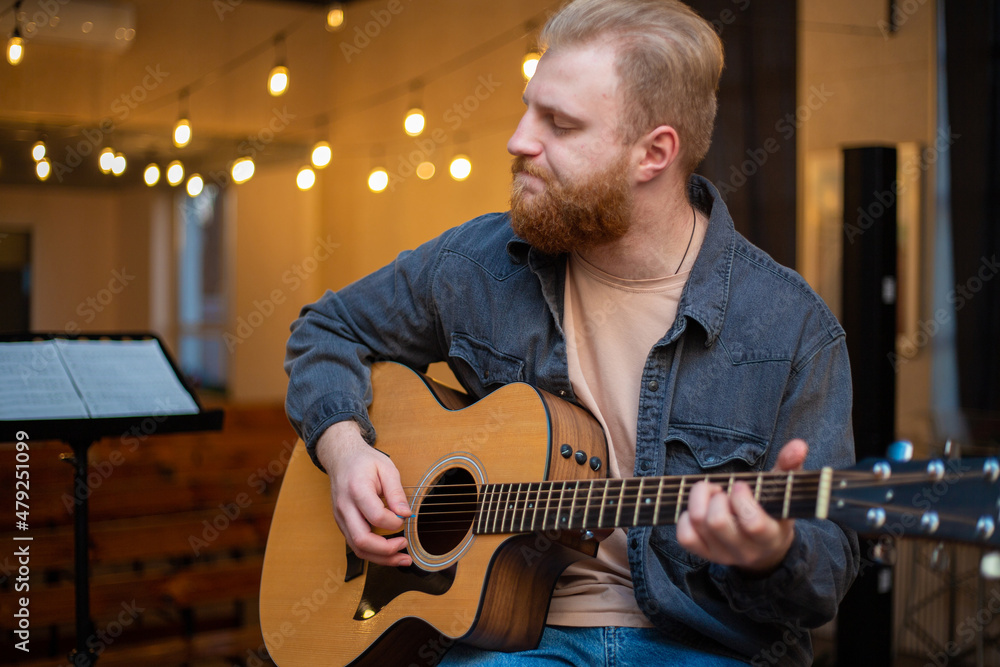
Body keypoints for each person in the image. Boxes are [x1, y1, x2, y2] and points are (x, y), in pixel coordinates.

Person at [284, 0, 860, 663]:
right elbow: (326, 329)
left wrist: (775, 552)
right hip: (505, 635)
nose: (519, 139)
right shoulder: (476, 264)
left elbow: (826, 574)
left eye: (559, 123)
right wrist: (345, 447)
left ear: (654, 153)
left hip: (701, 643)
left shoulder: (792, 328)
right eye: (530, 107)